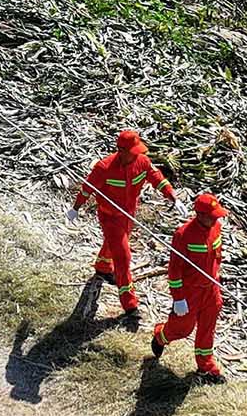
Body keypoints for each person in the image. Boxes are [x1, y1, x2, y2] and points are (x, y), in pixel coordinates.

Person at [71, 128, 174, 323]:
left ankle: (102, 266)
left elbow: (156, 177)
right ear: (121, 150)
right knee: (123, 257)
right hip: (110, 218)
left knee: (114, 245)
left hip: (128, 215)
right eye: (134, 150)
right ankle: (130, 304)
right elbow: (87, 188)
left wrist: (171, 195)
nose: (138, 153)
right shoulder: (104, 168)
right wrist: (75, 208)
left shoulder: (141, 161)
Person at [147, 191, 230, 378]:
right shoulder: (183, 235)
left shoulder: (216, 228)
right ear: (200, 215)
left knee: (207, 329)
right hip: (190, 292)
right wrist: (178, 298)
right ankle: (161, 336)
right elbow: (174, 270)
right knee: (182, 328)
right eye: (212, 217)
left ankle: (205, 366)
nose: (216, 220)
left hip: (211, 288)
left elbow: (217, 256)